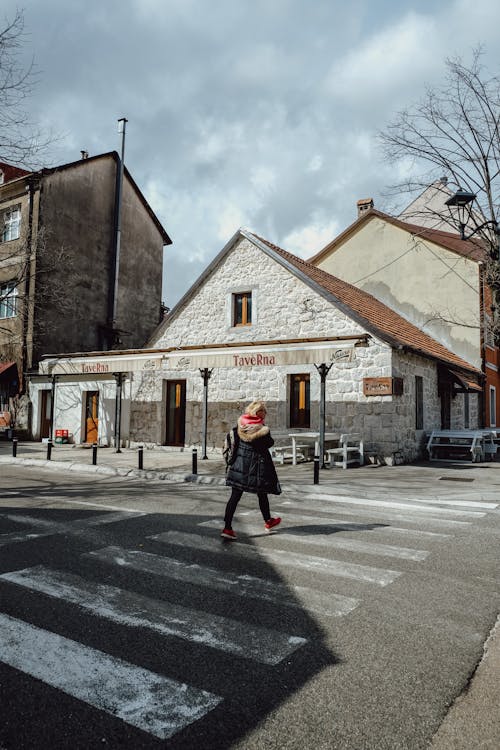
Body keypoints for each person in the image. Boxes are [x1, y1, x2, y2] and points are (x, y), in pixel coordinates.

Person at [221, 400, 282, 539]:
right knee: (262, 493)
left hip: (239, 467)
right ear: (257, 412)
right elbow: (269, 443)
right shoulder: (261, 429)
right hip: (256, 468)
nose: (265, 414)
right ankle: (268, 521)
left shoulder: (240, 424)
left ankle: (227, 528)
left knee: (235, 497)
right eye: (263, 411)